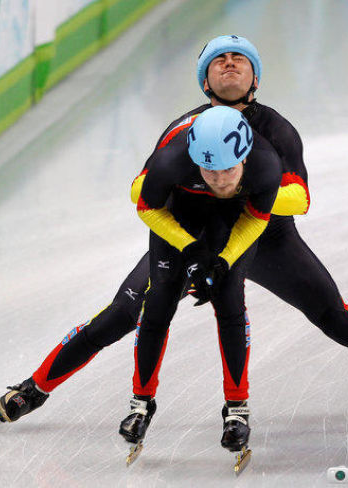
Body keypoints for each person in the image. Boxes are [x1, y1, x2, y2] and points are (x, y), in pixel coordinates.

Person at [0, 35, 348, 437]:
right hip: (193, 239)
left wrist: (245, 193)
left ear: (256, 79)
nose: (229, 65)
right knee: (124, 313)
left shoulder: (277, 131)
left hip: (264, 239)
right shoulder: (181, 132)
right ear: (205, 81)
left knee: (334, 315)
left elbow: (299, 199)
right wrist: (192, 246)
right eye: (219, 62)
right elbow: (146, 196)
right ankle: (34, 387)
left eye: (240, 60)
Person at [119, 105, 281, 456]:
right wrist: (190, 249)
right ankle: (140, 403)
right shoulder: (170, 160)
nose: (220, 180)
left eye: (227, 170)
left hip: (231, 220)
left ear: (245, 158)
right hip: (180, 214)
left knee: (229, 299)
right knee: (158, 299)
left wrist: (224, 260)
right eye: (209, 171)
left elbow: (256, 219)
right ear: (195, 160)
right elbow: (147, 207)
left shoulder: (267, 164)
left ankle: (237, 409)